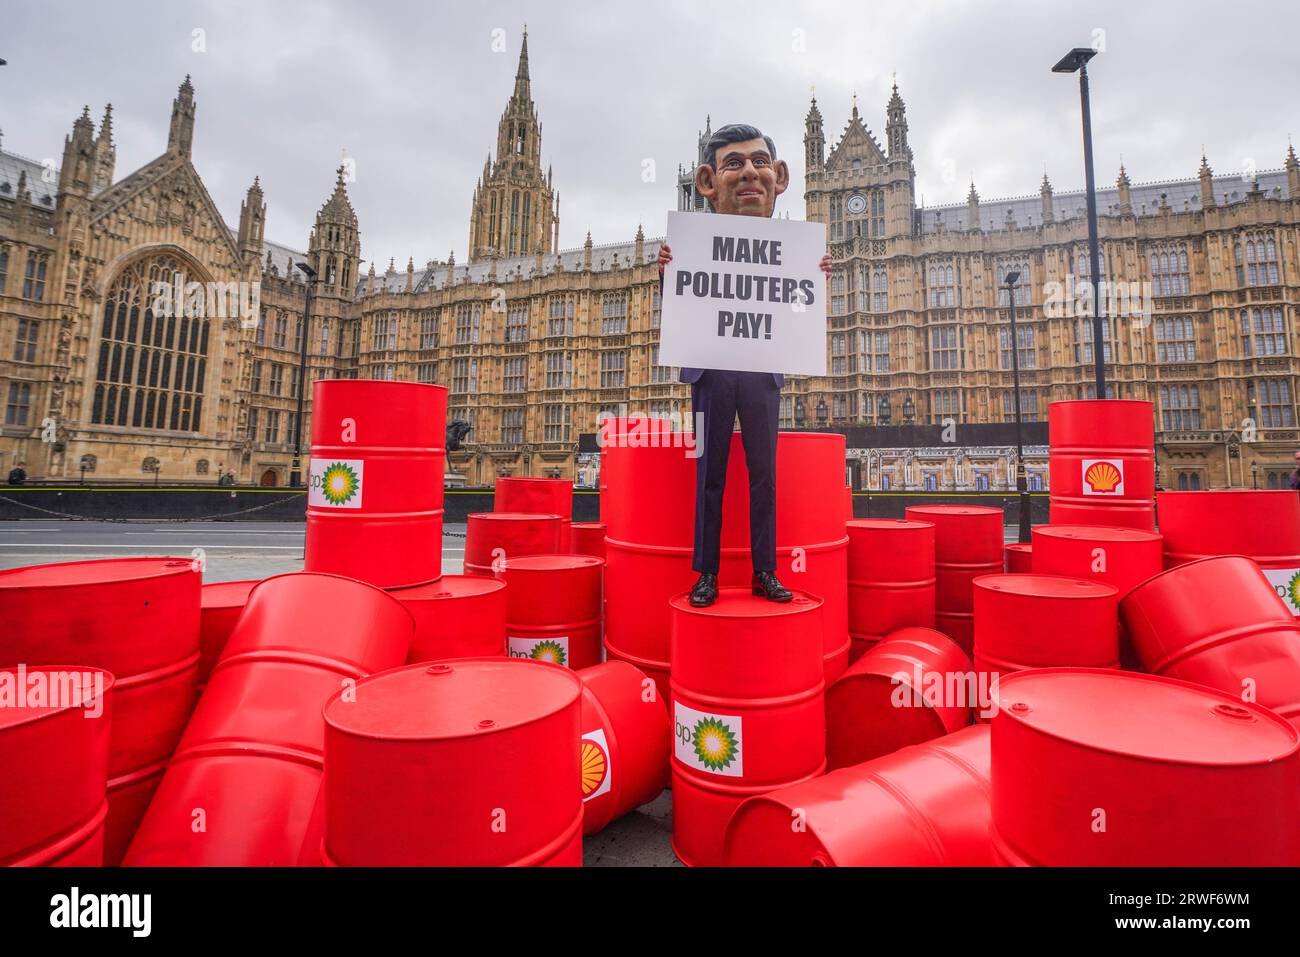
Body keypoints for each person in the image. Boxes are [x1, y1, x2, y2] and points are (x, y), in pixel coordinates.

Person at [658, 123, 832, 607]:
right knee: (708, 473)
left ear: (779, 177)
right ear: (708, 183)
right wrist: (667, 274)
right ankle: (706, 573)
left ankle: (766, 570)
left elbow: (796, 304)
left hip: (762, 368)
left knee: (764, 475)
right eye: (734, 164)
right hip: (710, 371)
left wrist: (815, 278)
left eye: (759, 163)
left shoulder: (790, 250)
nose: (749, 173)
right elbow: (687, 303)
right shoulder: (693, 243)